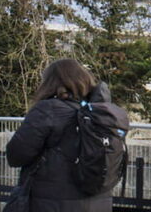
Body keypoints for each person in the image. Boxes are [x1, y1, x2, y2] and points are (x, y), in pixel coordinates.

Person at [6, 59, 117, 211]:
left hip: (52, 203)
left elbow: (16, 155)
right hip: (98, 204)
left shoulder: (48, 110)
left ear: (50, 83)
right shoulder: (101, 115)